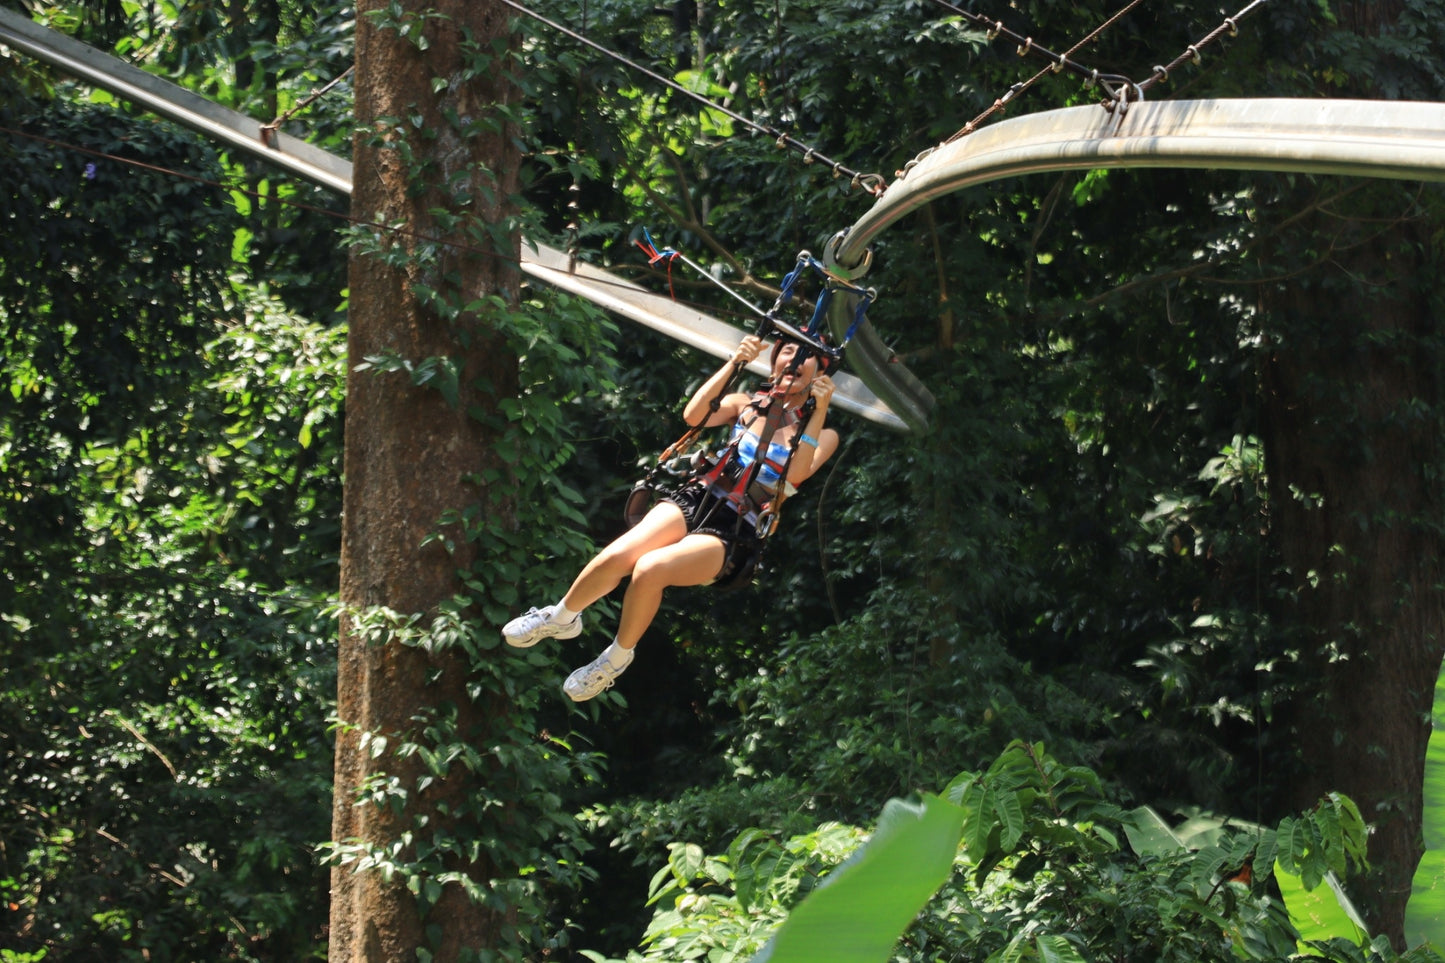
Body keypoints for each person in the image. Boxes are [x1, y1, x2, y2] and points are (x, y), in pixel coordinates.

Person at [502, 332, 841, 701]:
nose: (793, 360)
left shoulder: (823, 433)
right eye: (787, 351)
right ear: (774, 361)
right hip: (699, 496)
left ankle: (614, 660)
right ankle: (562, 617)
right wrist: (734, 363)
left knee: (651, 569)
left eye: (805, 356)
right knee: (619, 555)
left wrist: (818, 408)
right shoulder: (748, 403)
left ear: (820, 373)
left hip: (736, 529)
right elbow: (694, 415)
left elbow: (795, 474)